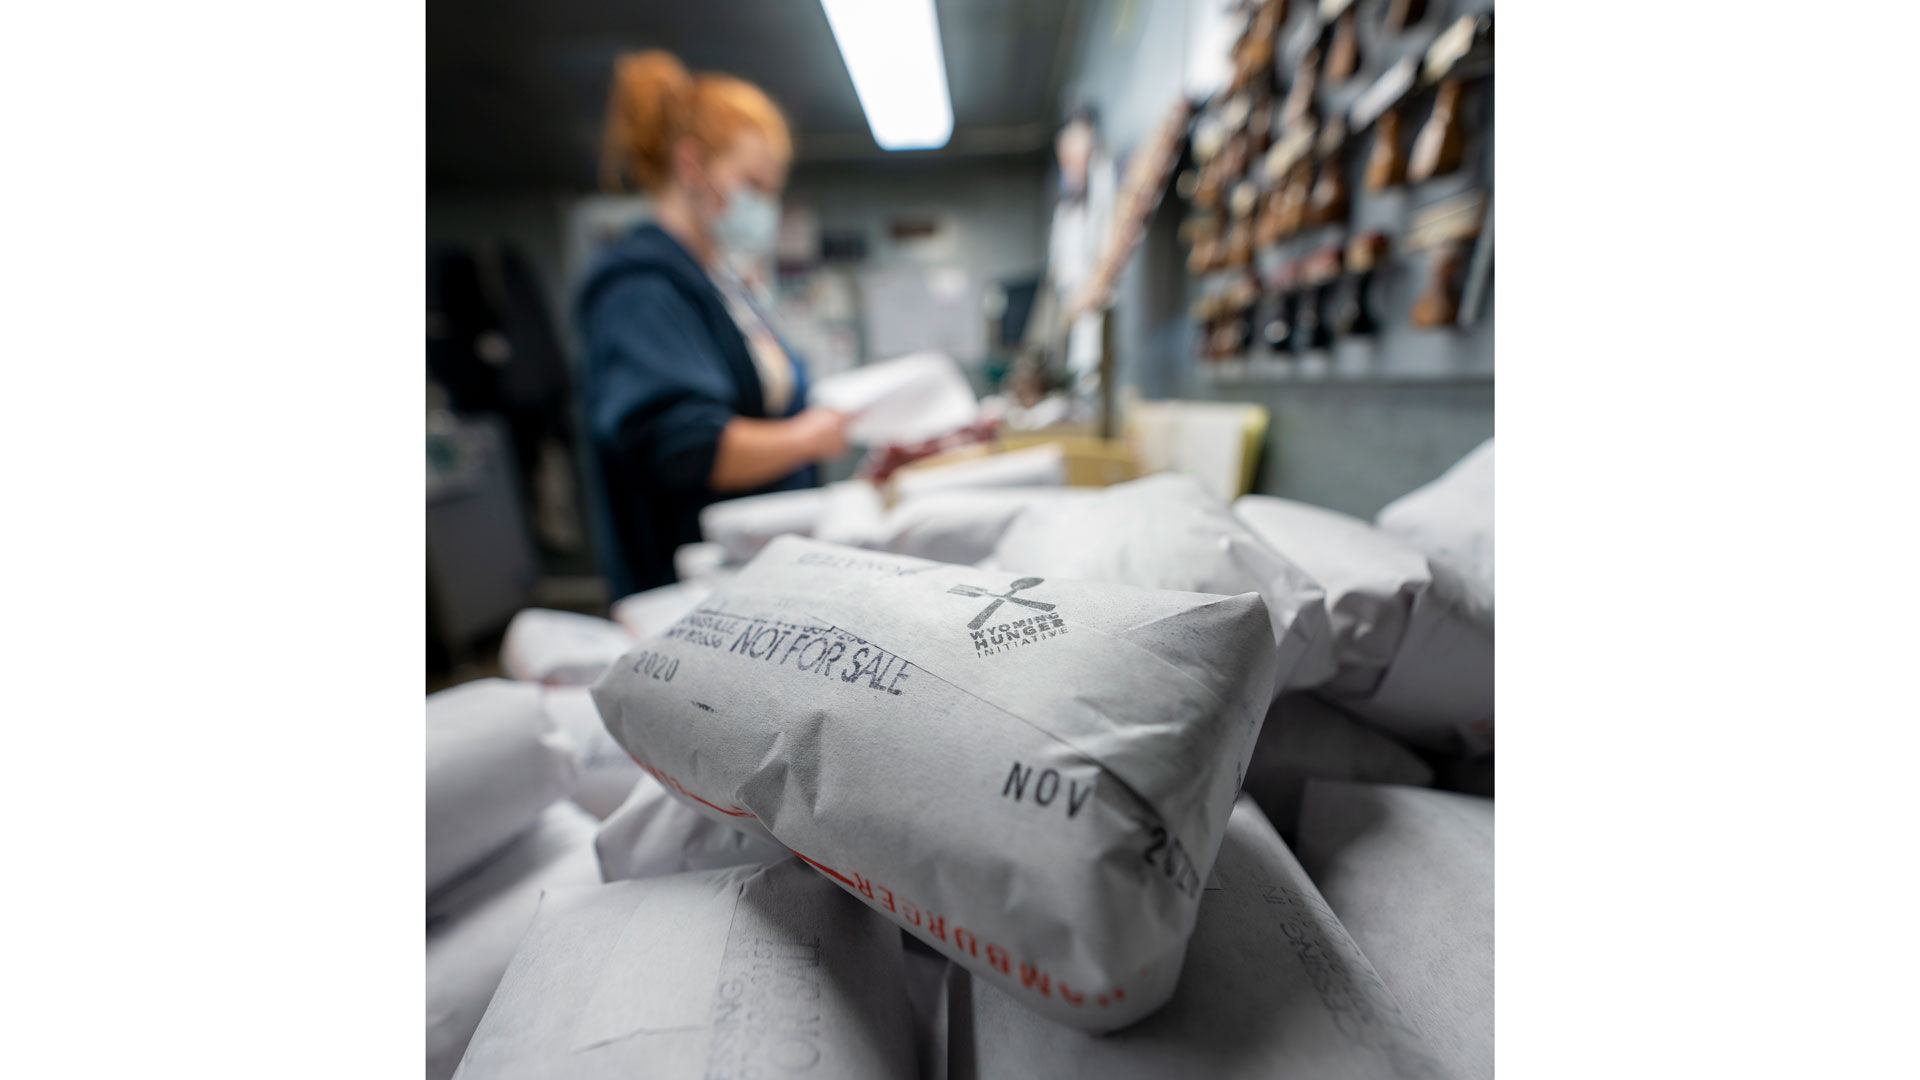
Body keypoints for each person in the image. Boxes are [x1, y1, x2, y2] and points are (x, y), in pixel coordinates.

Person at [579, 50, 848, 592]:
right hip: (693, 588)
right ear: (692, 166)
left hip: (759, 574)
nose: (766, 206)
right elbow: (688, 447)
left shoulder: (722, 285)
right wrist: (804, 438)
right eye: (754, 184)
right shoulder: (640, 287)